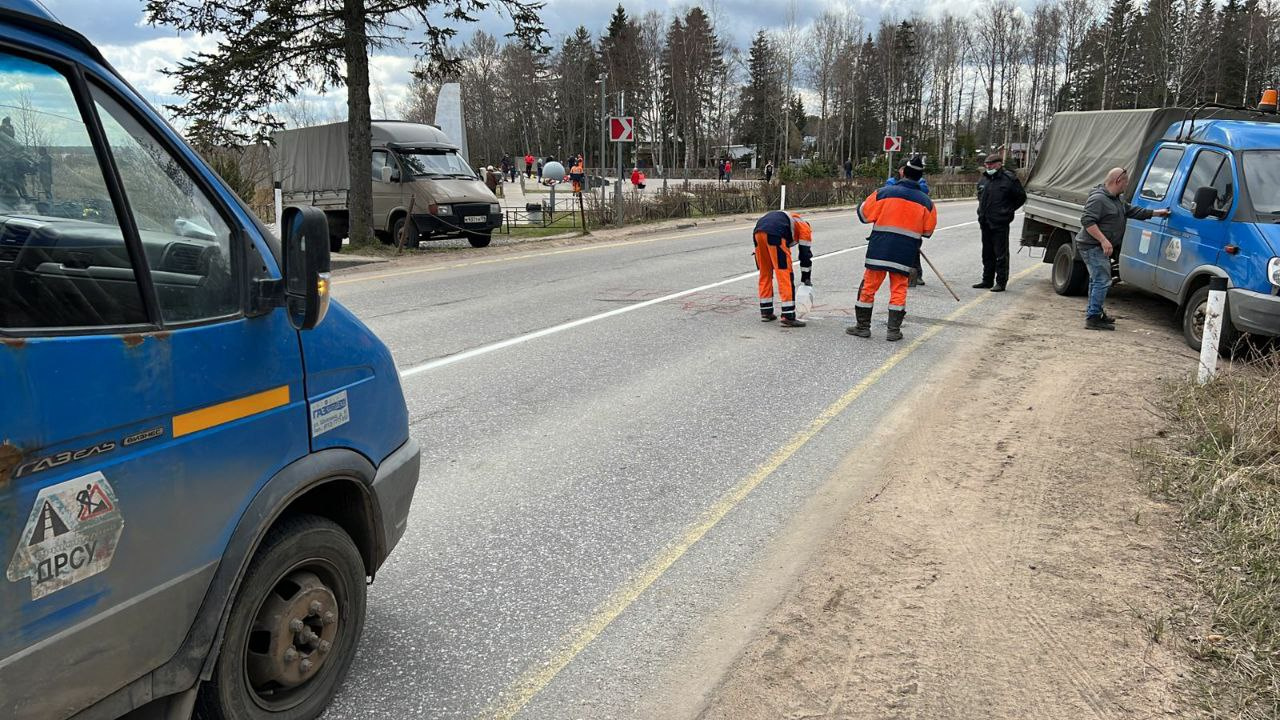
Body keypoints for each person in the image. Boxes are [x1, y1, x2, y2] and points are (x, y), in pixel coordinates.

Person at [848, 155, 937, 342]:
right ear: (920, 176)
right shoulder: (926, 202)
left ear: (903, 172)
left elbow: (864, 215)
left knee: (869, 287)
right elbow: (928, 231)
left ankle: (862, 327)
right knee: (899, 289)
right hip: (905, 252)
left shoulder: (884, 192)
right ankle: (893, 331)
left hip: (880, 249)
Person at [1077, 167, 1170, 330]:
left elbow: (1132, 211)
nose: (1126, 186)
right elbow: (1087, 221)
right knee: (1102, 280)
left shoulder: (1116, 199)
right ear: (1117, 181)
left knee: (1097, 279)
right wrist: (1104, 241)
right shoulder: (1098, 199)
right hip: (1092, 246)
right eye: (1125, 183)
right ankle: (1093, 318)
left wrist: (1157, 213)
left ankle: (1095, 312)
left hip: (1099, 246)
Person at [974, 153, 1027, 292]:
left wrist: (1007, 210)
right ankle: (987, 280)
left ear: (999, 164)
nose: (988, 167)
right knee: (987, 252)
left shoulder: (1009, 179)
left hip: (1000, 221)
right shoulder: (984, 178)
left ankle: (1001, 282)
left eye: (991, 164)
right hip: (985, 221)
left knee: (1000, 254)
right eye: (987, 165)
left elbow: (1021, 197)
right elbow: (980, 195)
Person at [753, 209, 813, 327]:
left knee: (765, 273)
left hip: (758, 232)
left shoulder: (792, 219)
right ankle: (788, 315)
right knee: (784, 274)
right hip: (776, 235)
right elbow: (805, 255)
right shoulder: (805, 228)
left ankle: (766, 312)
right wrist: (806, 278)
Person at [887, 162, 931, 287]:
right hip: (895, 220)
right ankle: (899, 274)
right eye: (901, 169)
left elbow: (923, 191)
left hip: (911, 221)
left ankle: (917, 274)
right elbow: (890, 190)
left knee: (913, 250)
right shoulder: (892, 181)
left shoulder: (920, 182)